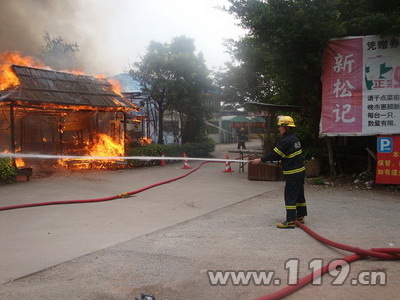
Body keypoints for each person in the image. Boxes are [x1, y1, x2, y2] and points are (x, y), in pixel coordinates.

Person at [250, 116, 307, 229]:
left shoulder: (286, 140)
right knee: (299, 195)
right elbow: (289, 154)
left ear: (286, 127)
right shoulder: (295, 138)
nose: (279, 128)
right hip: (300, 171)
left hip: (293, 172)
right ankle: (300, 217)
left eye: (281, 126)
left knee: (290, 195)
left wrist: (260, 160)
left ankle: (290, 221)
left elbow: (275, 154)